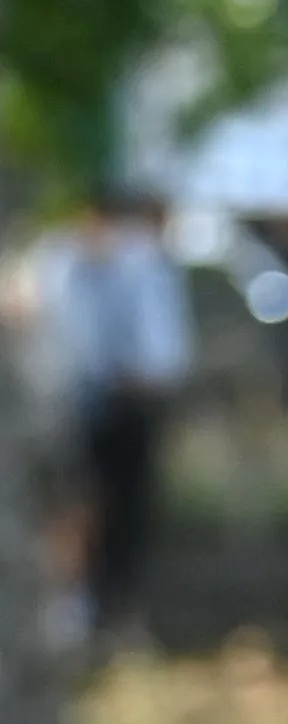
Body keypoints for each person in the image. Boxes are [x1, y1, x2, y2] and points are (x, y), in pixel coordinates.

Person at [44, 190, 192, 647]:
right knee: (85, 503)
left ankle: (110, 606)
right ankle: (80, 605)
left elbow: (162, 353)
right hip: (94, 403)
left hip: (129, 406)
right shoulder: (75, 262)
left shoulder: (140, 264)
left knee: (124, 510)